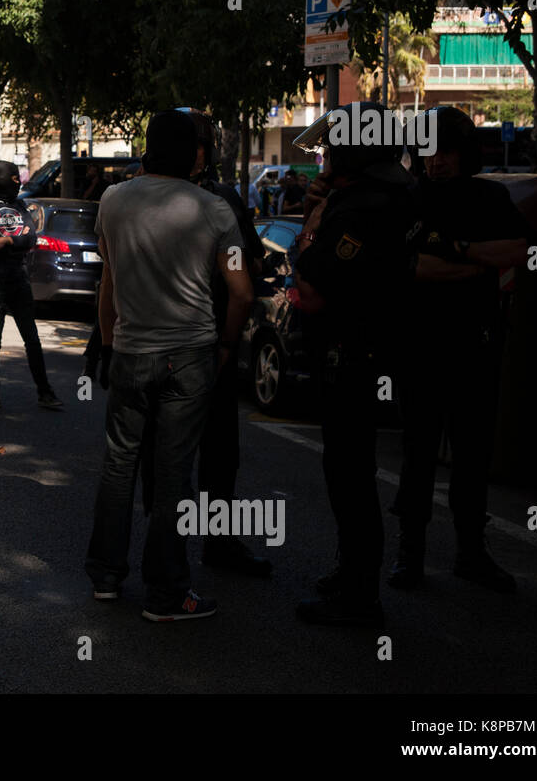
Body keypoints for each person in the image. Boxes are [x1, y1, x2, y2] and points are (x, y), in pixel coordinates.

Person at [85, 110, 251, 621]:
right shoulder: (215, 210)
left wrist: (111, 342)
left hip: (131, 352)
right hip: (190, 357)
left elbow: (108, 281)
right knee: (174, 475)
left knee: (119, 465)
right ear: (195, 154)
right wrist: (226, 344)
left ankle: (107, 576)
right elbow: (241, 291)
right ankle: (167, 592)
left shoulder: (113, 201)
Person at [388, 106, 530, 593]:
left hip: (476, 346)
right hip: (421, 347)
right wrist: (476, 260)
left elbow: (522, 251)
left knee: (473, 455)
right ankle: (411, 552)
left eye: (445, 152)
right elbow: (413, 268)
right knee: (418, 453)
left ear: (463, 154)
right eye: (428, 151)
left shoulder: (491, 196)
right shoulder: (410, 199)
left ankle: (472, 552)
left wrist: (456, 250)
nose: (435, 161)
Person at [290, 102, 421, 627]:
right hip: (380, 351)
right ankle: (352, 573)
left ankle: (359, 595)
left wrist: (314, 220)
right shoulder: (400, 192)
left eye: (331, 146)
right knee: (352, 471)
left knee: (349, 475)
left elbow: (313, 290)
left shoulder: (358, 207)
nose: (323, 156)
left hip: (352, 356)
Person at [183, 109, 271, 577]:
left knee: (216, 454)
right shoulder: (143, 196)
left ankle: (212, 544)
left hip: (207, 345)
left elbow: (251, 269)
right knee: (178, 455)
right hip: (187, 345)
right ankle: (170, 556)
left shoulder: (224, 200)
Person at [0, 160, 63, 410]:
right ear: (3, 180)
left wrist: (8, 241)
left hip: (19, 276)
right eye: (14, 180)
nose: (18, 185)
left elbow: (31, 236)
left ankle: (44, 391)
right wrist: (13, 238)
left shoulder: (18, 203)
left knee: (31, 337)